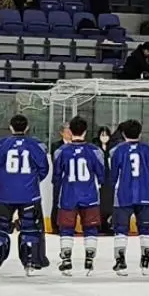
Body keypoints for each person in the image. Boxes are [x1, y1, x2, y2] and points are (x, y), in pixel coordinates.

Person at [0, 114, 50, 275]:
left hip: (4, 194)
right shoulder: (36, 145)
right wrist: (32, 182)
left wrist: (2, 182)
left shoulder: (0, 144)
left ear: (10, 127)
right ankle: (31, 261)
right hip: (30, 194)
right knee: (30, 228)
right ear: (27, 127)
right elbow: (43, 168)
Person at [50, 117, 105, 275]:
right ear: (85, 131)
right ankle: (89, 261)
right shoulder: (95, 150)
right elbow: (101, 174)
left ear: (70, 131)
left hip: (68, 195)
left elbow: (57, 176)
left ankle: (66, 260)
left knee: (66, 229)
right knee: (90, 228)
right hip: (90, 195)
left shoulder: (61, 151)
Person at [108, 119, 149, 275]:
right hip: (146, 194)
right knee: (145, 228)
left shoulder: (117, 151)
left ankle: (120, 262)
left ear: (123, 134)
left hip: (123, 195)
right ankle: (145, 262)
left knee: (121, 229)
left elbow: (113, 175)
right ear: (140, 133)